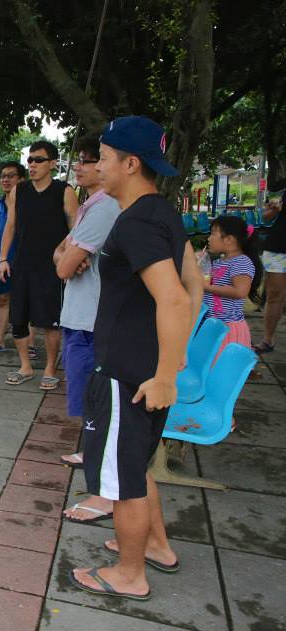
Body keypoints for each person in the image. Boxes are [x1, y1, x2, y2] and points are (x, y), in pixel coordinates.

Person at [69, 115, 202, 602]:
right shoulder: (161, 211)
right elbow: (194, 283)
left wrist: (166, 372)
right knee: (136, 466)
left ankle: (129, 574)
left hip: (127, 373)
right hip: (143, 368)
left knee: (122, 479)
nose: (97, 166)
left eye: (104, 158)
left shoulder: (137, 222)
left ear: (130, 163)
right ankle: (156, 546)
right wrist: (174, 356)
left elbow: (176, 298)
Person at [52, 139, 122, 524]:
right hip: (80, 315)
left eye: (89, 161)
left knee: (99, 402)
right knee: (87, 397)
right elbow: (59, 254)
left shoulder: (107, 206)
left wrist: (68, 258)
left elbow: (64, 266)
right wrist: (68, 256)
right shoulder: (89, 206)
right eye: (77, 161)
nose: (79, 167)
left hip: (92, 319)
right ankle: (91, 454)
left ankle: (104, 490)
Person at [0, 140, 78, 390]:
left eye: (39, 160)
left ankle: (51, 368)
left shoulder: (64, 191)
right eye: (30, 160)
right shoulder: (19, 191)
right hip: (22, 263)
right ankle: (25, 366)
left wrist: (71, 260)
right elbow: (10, 226)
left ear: (52, 164)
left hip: (52, 267)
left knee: (50, 320)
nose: (32, 165)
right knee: (19, 318)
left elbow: (76, 230)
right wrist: (2, 259)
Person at [0, 162, 33, 355]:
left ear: (21, 179)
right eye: (3, 176)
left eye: (11, 176)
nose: (5, 179)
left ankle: (30, 344)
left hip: (24, 260)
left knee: (27, 301)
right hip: (0, 261)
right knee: (3, 299)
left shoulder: (29, 204)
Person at [203, 216, 262, 351]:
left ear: (229, 239)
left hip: (227, 328)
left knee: (221, 362)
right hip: (213, 324)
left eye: (212, 234)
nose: (209, 238)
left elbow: (240, 291)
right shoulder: (219, 262)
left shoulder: (241, 261)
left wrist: (208, 287)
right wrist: (200, 264)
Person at [253, 197, 284, 354]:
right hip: (278, 248)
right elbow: (265, 217)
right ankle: (267, 339)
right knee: (274, 295)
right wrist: (275, 208)